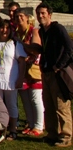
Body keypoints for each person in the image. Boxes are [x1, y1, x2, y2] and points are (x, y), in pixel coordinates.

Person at [31, 2, 73, 147]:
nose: (40, 16)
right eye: (38, 13)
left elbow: (69, 48)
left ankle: (66, 136)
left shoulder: (58, 28)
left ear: (49, 14)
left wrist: (58, 65)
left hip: (58, 72)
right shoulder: (43, 30)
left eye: (43, 13)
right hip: (46, 71)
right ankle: (52, 133)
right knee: (48, 104)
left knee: (61, 105)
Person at [13, 8, 43, 136]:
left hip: (34, 70)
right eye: (16, 17)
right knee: (25, 99)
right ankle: (30, 124)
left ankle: (39, 125)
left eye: (21, 16)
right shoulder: (16, 33)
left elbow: (36, 49)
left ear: (26, 18)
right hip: (21, 70)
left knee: (35, 98)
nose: (19, 19)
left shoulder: (33, 31)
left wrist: (22, 44)